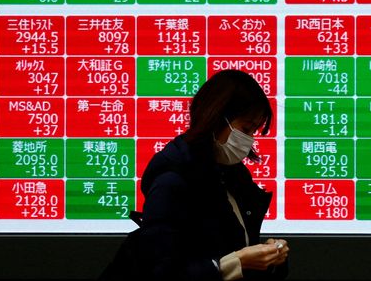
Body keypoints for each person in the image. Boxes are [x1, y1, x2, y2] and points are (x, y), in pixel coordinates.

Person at [102, 69, 289, 280]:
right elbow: (160, 273)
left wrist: (268, 258)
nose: (250, 140)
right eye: (246, 129)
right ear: (216, 116)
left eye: (254, 131)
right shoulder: (171, 182)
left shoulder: (232, 177)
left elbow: (236, 251)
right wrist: (233, 264)